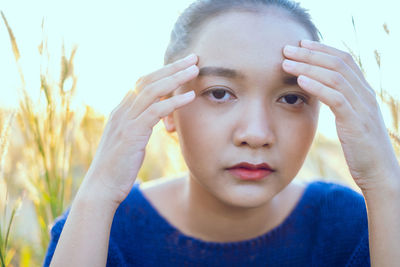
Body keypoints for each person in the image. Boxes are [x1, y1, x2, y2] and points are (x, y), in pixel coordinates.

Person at [43, 0, 400, 266]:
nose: (257, 134)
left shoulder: (354, 226)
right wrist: (99, 191)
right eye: (219, 93)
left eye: (291, 98)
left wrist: (384, 182)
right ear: (168, 105)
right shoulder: (103, 232)